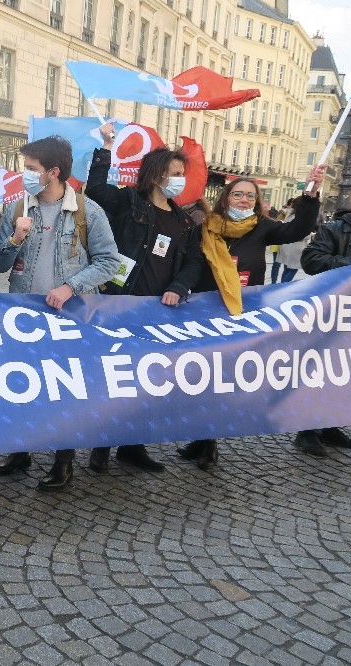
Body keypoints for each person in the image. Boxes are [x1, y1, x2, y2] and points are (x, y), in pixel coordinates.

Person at [0, 137, 119, 490]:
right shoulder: (18, 209)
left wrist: (71, 286)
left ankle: (63, 461)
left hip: (69, 319)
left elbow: (110, 261)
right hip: (25, 318)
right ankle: (20, 450)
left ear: (54, 172)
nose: (24, 174)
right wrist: (14, 239)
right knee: (22, 385)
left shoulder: (86, 211)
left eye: (31, 169)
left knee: (66, 389)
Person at [177, 166, 325, 469]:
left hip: (243, 315)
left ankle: (209, 442)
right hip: (207, 313)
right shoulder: (207, 226)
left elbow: (297, 230)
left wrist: (310, 196)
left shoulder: (264, 227)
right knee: (204, 379)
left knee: (225, 380)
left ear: (256, 201)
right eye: (237, 194)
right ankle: (202, 439)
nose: (243, 199)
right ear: (225, 198)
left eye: (249, 196)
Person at [85, 122, 204, 475]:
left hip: (158, 312)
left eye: (182, 174)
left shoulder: (184, 221)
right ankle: (101, 446)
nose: (180, 180)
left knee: (146, 383)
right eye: (175, 173)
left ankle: (133, 446)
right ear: (156, 176)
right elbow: (94, 191)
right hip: (119, 304)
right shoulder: (128, 202)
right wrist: (105, 149)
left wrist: (179, 287)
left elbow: (194, 261)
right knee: (113, 379)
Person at [292, 193, 351, 455]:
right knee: (322, 372)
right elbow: (311, 260)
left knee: (349, 374)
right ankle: (307, 431)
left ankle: (333, 426)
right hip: (335, 314)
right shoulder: (336, 229)